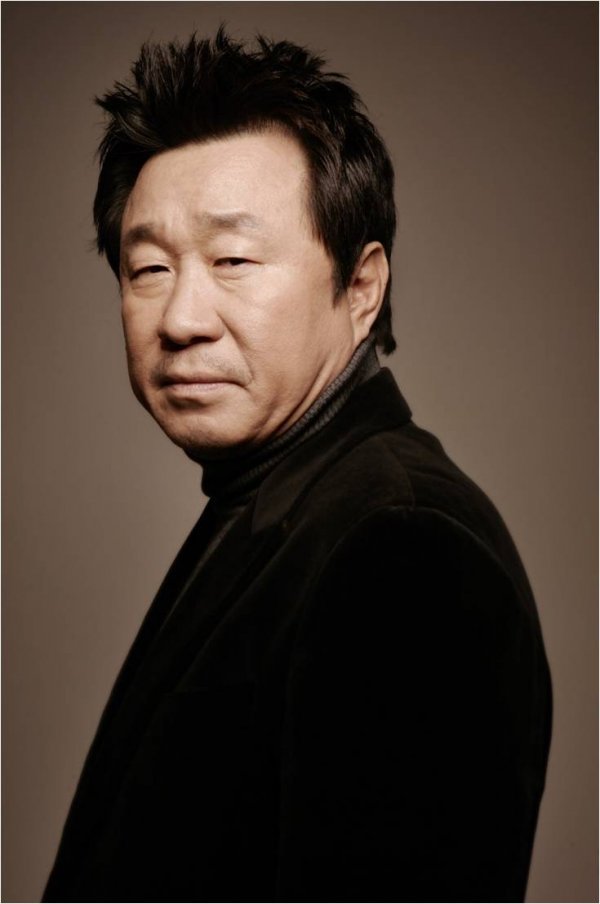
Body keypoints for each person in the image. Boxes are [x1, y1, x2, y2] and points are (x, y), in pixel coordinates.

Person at [43, 29, 552, 903]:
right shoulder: (283, 504)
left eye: (233, 260)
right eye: (148, 267)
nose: (181, 318)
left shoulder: (401, 546)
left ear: (361, 288)